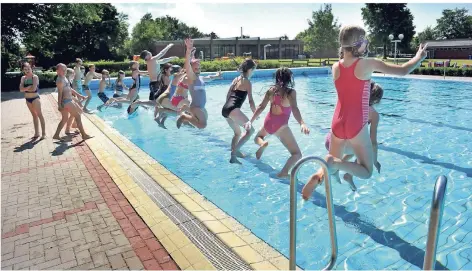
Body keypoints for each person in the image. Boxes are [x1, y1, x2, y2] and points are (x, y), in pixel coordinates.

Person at [305, 25, 428, 193]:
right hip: (356, 123)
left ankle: (321, 175)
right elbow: (404, 70)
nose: (367, 43)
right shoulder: (367, 64)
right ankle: (336, 164)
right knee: (366, 171)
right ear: (358, 43)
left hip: (337, 123)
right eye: (365, 40)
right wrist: (418, 57)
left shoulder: (335, 67)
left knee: (331, 163)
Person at [302, 81, 384, 199]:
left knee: (334, 163)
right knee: (364, 152)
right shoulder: (373, 114)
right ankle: (343, 172)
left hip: (331, 139)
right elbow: (373, 143)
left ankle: (320, 174)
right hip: (348, 145)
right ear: (376, 100)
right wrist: (374, 161)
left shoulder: (348, 102)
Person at [244, 67, 310, 178]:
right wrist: (302, 123)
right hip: (281, 126)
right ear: (289, 79)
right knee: (297, 154)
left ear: (276, 78)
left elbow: (261, 107)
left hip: (269, 122)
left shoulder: (271, 91)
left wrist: (251, 120)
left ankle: (262, 144)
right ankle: (284, 172)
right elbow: (294, 109)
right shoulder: (291, 93)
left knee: (258, 137)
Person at [176, 38, 223, 129]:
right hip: (195, 107)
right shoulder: (192, 78)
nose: (198, 70)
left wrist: (217, 75)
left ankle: (186, 113)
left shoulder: (200, 78)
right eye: (195, 69)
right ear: (191, 70)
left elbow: (209, 78)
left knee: (203, 122)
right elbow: (187, 65)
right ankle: (184, 116)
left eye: (199, 68)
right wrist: (188, 51)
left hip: (201, 107)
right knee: (203, 125)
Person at [221, 58, 257, 164]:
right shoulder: (247, 82)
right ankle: (233, 154)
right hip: (233, 109)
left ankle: (236, 153)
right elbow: (251, 101)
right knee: (251, 131)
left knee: (237, 133)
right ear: (250, 70)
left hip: (225, 109)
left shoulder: (236, 79)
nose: (253, 72)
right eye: (253, 70)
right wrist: (255, 112)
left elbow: (228, 95)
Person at [53, 63, 91, 140]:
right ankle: (84, 135)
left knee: (64, 119)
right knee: (77, 116)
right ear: (57, 71)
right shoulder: (60, 80)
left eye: (65, 69)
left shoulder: (64, 78)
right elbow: (60, 93)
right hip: (66, 102)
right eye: (62, 70)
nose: (64, 71)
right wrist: (59, 105)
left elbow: (70, 89)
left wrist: (80, 96)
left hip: (69, 100)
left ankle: (56, 135)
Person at [19, 62, 46, 139]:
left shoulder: (35, 77)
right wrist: (27, 88)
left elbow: (34, 89)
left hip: (35, 98)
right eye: (25, 69)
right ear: (23, 70)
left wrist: (25, 88)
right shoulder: (23, 78)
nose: (27, 70)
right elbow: (20, 90)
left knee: (39, 115)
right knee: (34, 116)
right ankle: (37, 133)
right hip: (27, 99)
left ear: (31, 68)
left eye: (28, 68)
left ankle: (43, 133)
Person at [64, 68, 88, 134]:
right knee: (78, 112)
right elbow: (68, 92)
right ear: (69, 74)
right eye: (73, 73)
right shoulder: (66, 81)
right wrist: (77, 99)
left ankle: (70, 127)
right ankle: (69, 128)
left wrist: (79, 96)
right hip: (68, 99)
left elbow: (71, 89)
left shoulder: (68, 81)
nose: (74, 75)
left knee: (78, 111)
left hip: (71, 98)